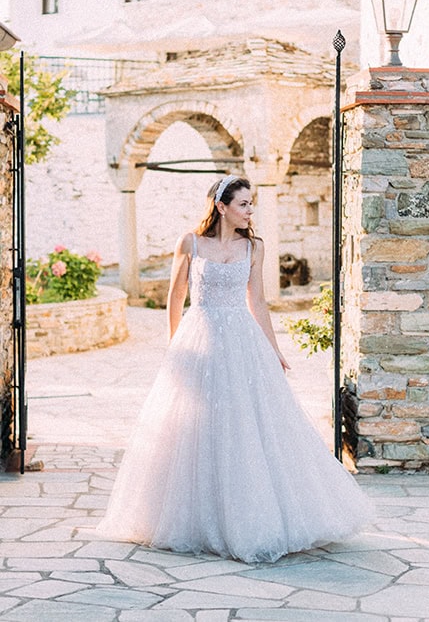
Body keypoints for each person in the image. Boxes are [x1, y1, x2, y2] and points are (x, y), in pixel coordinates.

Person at [97, 175, 371, 564]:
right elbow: (176, 296)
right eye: (243, 203)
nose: (250, 210)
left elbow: (257, 301)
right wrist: (176, 345)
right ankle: (196, 517)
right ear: (221, 206)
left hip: (242, 340)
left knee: (245, 425)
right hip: (200, 334)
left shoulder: (254, 248)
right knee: (194, 427)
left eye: (251, 203)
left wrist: (275, 351)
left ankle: (248, 514)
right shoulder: (190, 243)